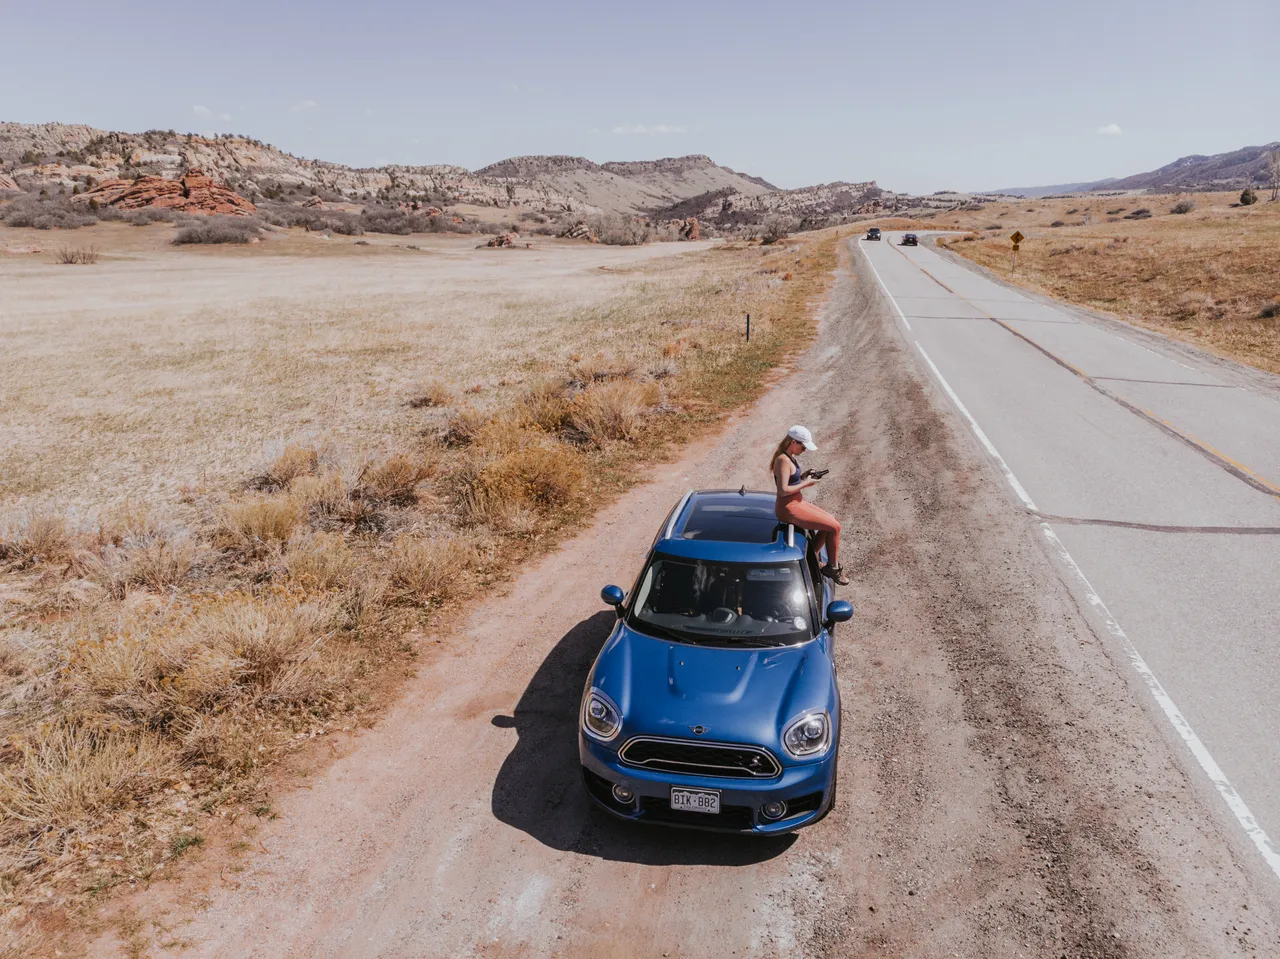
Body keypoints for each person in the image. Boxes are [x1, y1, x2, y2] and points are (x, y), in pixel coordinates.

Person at [771, 425, 850, 586]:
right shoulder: (782, 460)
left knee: (831, 523)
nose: (804, 450)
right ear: (793, 442)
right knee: (834, 527)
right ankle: (832, 568)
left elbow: (792, 480)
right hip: (788, 508)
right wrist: (806, 484)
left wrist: (805, 475)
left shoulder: (788, 457)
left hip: (796, 502)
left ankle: (810, 559)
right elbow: (783, 490)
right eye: (803, 446)